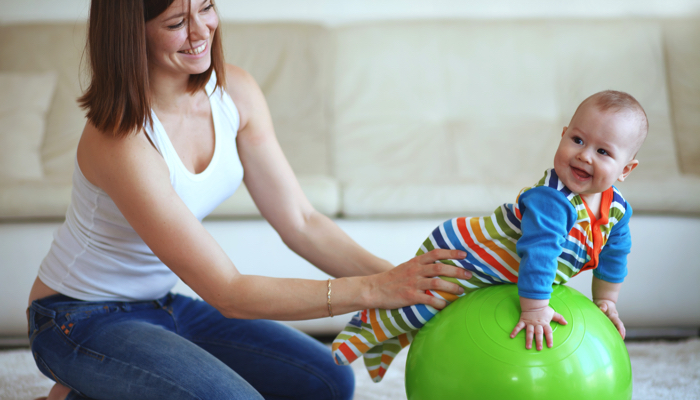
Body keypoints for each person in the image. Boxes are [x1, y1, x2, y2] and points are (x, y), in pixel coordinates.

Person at [25, 1, 473, 399]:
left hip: (160, 304)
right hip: (76, 320)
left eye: (206, 8)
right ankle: (86, 380)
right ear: (131, 33)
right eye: (177, 22)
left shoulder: (234, 93)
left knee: (327, 382)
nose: (201, 31)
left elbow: (300, 220)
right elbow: (228, 292)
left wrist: (408, 281)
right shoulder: (121, 139)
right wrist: (373, 290)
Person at [332, 90, 647, 382]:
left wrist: (606, 300)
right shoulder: (552, 199)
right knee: (427, 301)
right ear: (562, 135)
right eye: (578, 140)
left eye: (603, 151)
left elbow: (615, 254)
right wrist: (535, 309)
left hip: (506, 272)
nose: (585, 156)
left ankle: (387, 344)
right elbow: (541, 254)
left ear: (625, 170)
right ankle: (367, 328)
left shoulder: (617, 208)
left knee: (430, 315)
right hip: (473, 255)